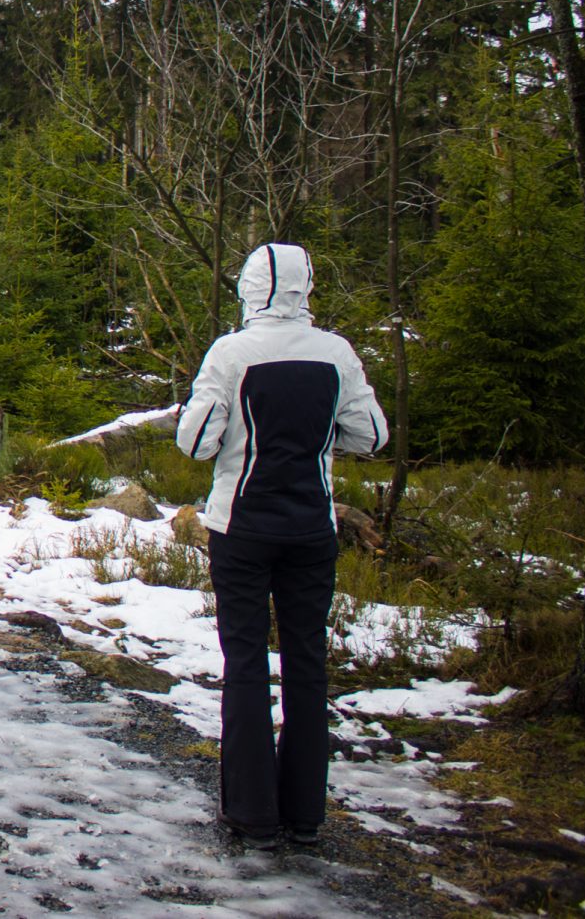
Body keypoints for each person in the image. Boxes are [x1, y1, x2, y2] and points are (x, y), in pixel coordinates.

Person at [175, 242, 388, 850]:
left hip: (240, 527)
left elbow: (195, 445)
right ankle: (305, 815)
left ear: (248, 287)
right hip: (311, 529)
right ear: (306, 287)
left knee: (244, 661)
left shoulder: (232, 353)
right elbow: (370, 435)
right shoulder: (336, 353)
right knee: (307, 663)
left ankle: (251, 813)